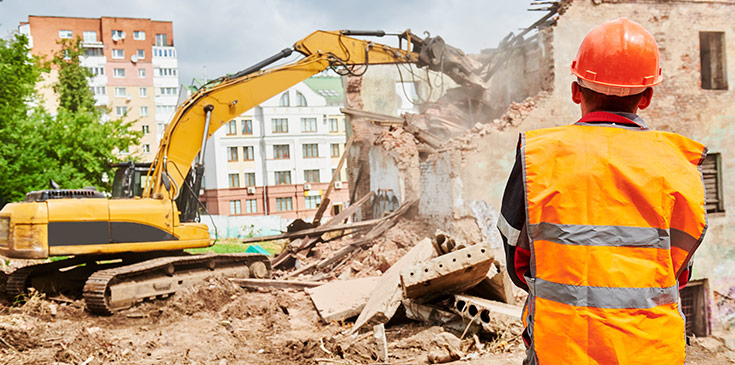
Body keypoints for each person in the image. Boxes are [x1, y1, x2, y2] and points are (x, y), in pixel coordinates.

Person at [497, 18, 707, 364]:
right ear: (648, 96)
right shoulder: (678, 163)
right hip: (651, 350)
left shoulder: (538, 156)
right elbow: (680, 271)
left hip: (560, 348)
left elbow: (518, 263)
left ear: (576, 90)